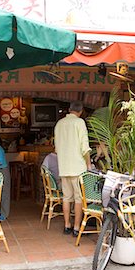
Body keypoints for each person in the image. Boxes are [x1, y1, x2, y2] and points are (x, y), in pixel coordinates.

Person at [54, 101, 92, 237]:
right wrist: (89, 164)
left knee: (66, 197)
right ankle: (76, 228)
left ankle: (66, 225)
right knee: (78, 199)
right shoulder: (79, 123)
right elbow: (85, 146)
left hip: (64, 167)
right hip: (78, 168)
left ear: (69, 110)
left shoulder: (59, 124)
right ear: (80, 111)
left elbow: (57, 149)